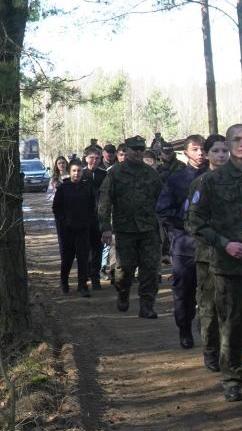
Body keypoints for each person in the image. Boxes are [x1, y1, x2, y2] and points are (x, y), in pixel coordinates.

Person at [187, 124, 242, 402]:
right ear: (229, 143)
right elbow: (194, 221)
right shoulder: (210, 181)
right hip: (226, 266)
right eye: (237, 139)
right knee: (231, 326)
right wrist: (224, 243)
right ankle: (232, 376)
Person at [98, 135, 165, 318]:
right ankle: (123, 292)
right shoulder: (115, 173)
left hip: (149, 229)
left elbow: (163, 199)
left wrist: (165, 222)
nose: (137, 152)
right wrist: (105, 227)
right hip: (125, 229)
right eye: (134, 149)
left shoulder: (151, 174)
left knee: (150, 269)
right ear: (126, 150)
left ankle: (147, 305)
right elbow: (105, 201)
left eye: (141, 149)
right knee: (124, 269)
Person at [156, 134, 206, 349]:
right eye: (195, 149)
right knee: (184, 290)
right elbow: (163, 209)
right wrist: (185, 222)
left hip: (211, 246)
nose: (200, 153)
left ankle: (210, 334)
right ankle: (184, 328)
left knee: (212, 292)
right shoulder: (176, 180)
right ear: (186, 153)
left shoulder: (216, 177)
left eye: (203, 149)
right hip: (184, 244)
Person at [191, 134, 229, 372]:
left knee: (230, 309)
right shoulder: (201, 183)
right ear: (207, 154)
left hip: (235, 257)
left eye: (225, 151)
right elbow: (192, 221)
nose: (221, 155)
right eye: (216, 151)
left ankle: (229, 356)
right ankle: (210, 349)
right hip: (208, 255)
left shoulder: (237, 181)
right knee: (209, 306)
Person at [52, 159, 95, 297]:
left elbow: (92, 207)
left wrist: (88, 221)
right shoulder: (63, 188)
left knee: (83, 258)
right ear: (70, 172)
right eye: (74, 171)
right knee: (67, 258)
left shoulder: (87, 188)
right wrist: (64, 221)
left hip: (83, 229)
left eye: (79, 171)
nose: (76, 173)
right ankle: (64, 283)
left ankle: (82, 285)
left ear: (82, 172)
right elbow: (56, 208)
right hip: (67, 230)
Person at [81, 146, 107, 291]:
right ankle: (84, 278)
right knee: (84, 249)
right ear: (86, 158)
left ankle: (95, 278)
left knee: (98, 249)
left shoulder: (104, 174)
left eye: (97, 158)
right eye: (92, 158)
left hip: (99, 217)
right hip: (84, 217)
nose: (94, 161)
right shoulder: (81, 173)